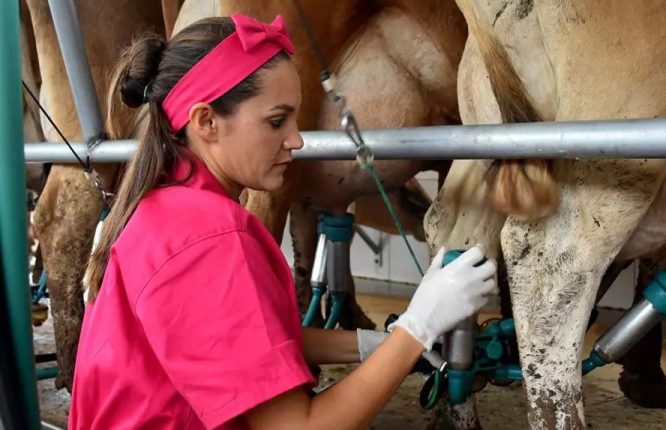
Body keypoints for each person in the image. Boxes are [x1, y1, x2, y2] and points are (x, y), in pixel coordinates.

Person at [69, 13, 497, 430]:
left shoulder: (162, 206)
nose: (296, 139)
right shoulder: (209, 236)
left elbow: (252, 344)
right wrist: (415, 330)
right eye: (277, 121)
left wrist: (379, 343)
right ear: (206, 122)